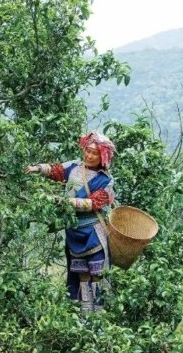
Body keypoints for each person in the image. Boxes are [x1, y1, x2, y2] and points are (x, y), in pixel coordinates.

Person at [25, 132, 116, 312]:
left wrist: (63, 202)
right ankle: (83, 311)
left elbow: (93, 203)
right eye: (87, 151)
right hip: (74, 230)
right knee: (81, 273)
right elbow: (55, 170)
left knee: (97, 273)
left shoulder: (106, 180)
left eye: (94, 153)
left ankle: (98, 314)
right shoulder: (74, 167)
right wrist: (36, 168)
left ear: (102, 156)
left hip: (93, 232)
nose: (89, 156)